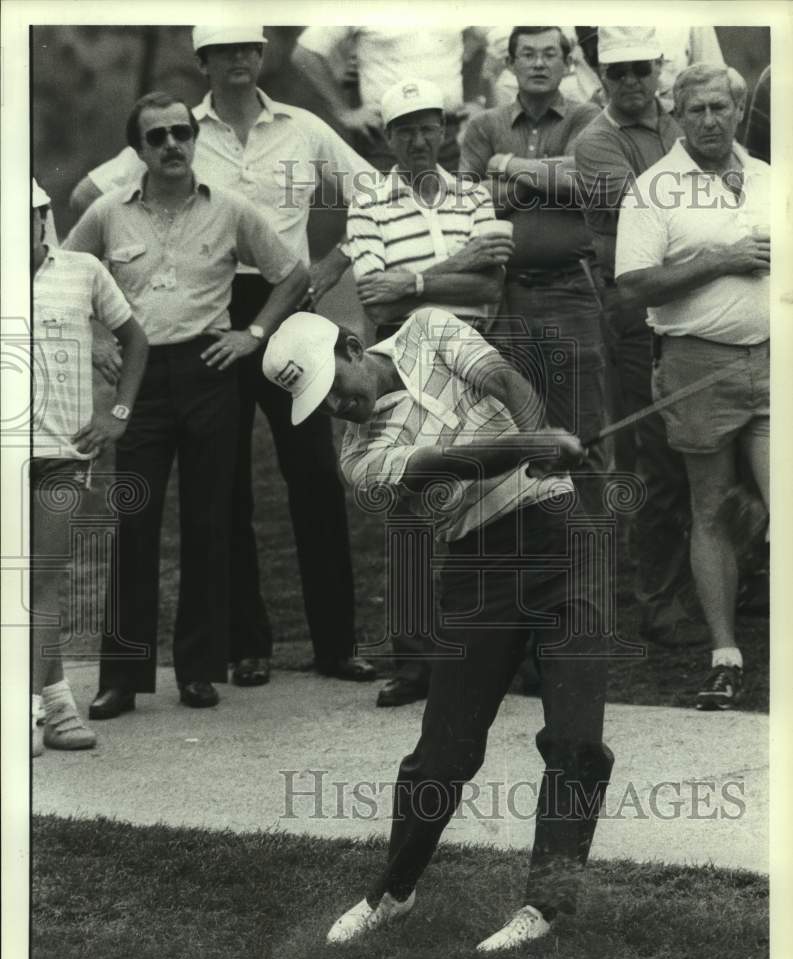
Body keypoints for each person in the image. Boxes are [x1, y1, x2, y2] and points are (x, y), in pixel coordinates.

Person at [262, 307, 614, 951]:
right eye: (324, 406)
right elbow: (440, 465)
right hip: (476, 567)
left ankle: (547, 906)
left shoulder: (428, 328)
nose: (341, 407)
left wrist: (539, 447)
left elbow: (505, 380)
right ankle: (393, 891)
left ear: (352, 345)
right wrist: (527, 447)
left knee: (577, 741)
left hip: (561, 536)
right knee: (444, 752)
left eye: (338, 388)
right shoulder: (360, 458)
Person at [69, 26, 378, 686]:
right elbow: (88, 200)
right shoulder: (179, 130)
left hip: (287, 303)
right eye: (224, 52)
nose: (239, 62)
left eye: (250, 50)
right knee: (224, 484)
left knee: (315, 474)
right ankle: (245, 644)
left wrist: (330, 267)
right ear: (203, 61)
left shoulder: (302, 127)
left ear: (262, 56)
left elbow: (379, 195)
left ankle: (336, 642)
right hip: (212, 310)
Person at [63, 91, 309, 717]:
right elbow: (65, 274)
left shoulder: (230, 210)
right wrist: (96, 339)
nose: (172, 144)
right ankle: (121, 679)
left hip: (208, 372)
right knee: (134, 523)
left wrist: (252, 335)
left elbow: (292, 274)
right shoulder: (108, 214)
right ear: (138, 149)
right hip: (141, 383)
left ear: (194, 138)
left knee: (209, 523)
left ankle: (199, 670)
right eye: (157, 137)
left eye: (181, 132)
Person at [345, 77, 513, 706]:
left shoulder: (472, 193)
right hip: (401, 357)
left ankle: (493, 648)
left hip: (468, 351)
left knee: (492, 494)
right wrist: (454, 268)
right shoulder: (368, 201)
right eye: (405, 129)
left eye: (427, 126)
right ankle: (415, 663)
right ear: (387, 137)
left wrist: (412, 281)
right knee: (410, 509)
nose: (418, 139)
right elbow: (370, 291)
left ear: (443, 131)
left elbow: (492, 287)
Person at [614, 63, 769, 709]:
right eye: (695, 109)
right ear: (675, 115)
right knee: (709, 510)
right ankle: (724, 655)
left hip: (773, 360)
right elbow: (633, 283)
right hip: (695, 368)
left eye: (720, 107)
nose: (709, 120)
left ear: (738, 109)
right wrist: (718, 259)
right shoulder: (652, 189)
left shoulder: (768, 177)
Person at [573, 26, 708, 649]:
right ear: (602, 74)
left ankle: (726, 577)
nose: (630, 83)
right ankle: (658, 598)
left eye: (640, 70)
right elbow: (658, 217)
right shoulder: (594, 143)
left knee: (712, 445)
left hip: (699, 303)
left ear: (659, 67)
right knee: (653, 454)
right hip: (635, 315)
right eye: (618, 71)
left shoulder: (683, 121)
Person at [460, 26, 610, 483]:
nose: (540, 63)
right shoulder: (485, 125)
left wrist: (508, 168)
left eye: (550, 54)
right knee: (516, 431)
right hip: (505, 296)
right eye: (528, 54)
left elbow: (588, 185)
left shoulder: (590, 119)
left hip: (573, 291)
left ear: (568, 64)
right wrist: (551, 178)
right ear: (510, 64)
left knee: (585, 434)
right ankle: (533, 547)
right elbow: (468, 202)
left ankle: (591, 550)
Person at [30, 179, 149, 754]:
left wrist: (118, 414)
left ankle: (28, 711)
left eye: (26, 217)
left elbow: (135, 339)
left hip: (63, 458)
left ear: (43, 217)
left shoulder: (81, 270)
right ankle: (56, 707)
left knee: (41, 583)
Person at [291, 27, 487, 173]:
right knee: (389, 217)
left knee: (455, 216)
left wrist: (474, 99)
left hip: (449, 134)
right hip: (388, 137)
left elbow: (491, 39)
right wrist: (344, 112)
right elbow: (305, 53)